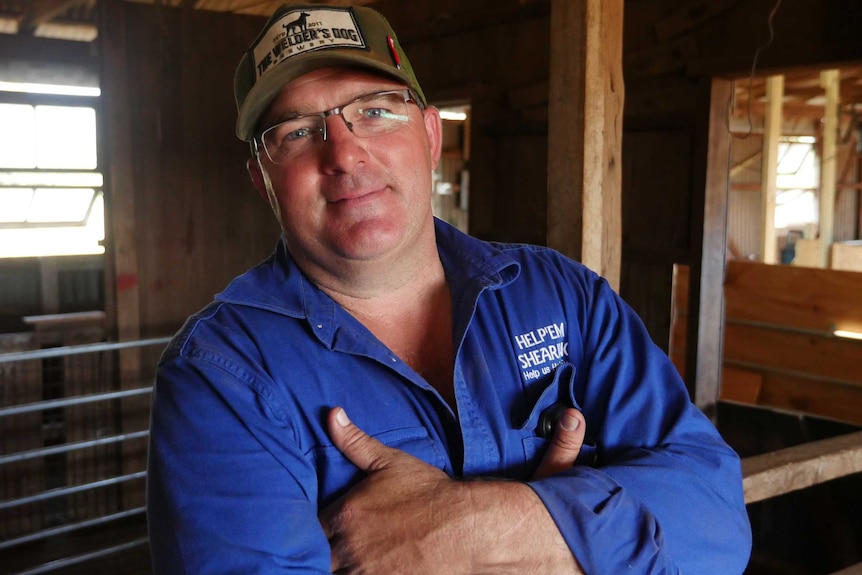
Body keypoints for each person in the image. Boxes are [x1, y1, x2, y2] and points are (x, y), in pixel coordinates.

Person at [146, 3, 752, 574]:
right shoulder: (221, 377)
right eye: (298, 132)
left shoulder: (564, 296)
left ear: (431, 137)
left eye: (376, 110)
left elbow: (717, 522)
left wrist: (486, 530)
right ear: (263, 179)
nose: (345, 154)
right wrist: (583, 538)